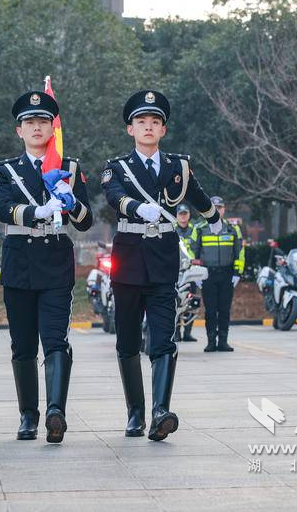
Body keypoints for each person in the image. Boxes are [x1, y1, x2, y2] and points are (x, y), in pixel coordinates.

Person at [101, 90, 221, 441]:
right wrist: (137, 208)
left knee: (164, 337)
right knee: (127, 340)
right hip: (128, 260)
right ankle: (135, 414)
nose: (148, 127)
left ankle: (159, 411)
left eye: (155, 122)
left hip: (163, 261)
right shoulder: (116, 167)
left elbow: (196, 194)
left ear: (163, 130)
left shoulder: (177, 167)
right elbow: (113, 196)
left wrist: (214, 218)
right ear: (131, 129)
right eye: (141, 122)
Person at [0, 90, 93, 443]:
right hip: (19, 259)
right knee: (22, 344)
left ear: (53, 128)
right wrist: (37, 211)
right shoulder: (6, 170)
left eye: (43, 122)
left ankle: (55, 412)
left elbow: (85, 221)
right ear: (19, 130)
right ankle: (27, 416)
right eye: (30, 122)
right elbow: (2, 208)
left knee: (55, 340)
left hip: (55, 260)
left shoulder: (69, 168)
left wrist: (71, 202)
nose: (37, 127)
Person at [191, 196, 244, 353]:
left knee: (224, 310)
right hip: (207, 275)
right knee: (210, 310)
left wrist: (237, 273)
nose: (217, 210)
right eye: (214, 208)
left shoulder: (233, 229)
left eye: (220, 207)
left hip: (227, 274)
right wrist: (196, 274)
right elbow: (193, 252)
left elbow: (239, 252)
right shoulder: (199, 229)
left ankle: (223, 342)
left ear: (224, 209)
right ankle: (210, 342)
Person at [174, 204, 197, 342]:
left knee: (191, 301)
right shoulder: (172, 229)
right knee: (177, 302)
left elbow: (198, 248)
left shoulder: (195, 230)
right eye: (180, 214)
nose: (183, 216)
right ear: (176, 215)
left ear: (189, 215)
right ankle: (176, 332)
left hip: (191, 272)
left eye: (185, 214)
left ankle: (188, 332)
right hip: (176, 272)